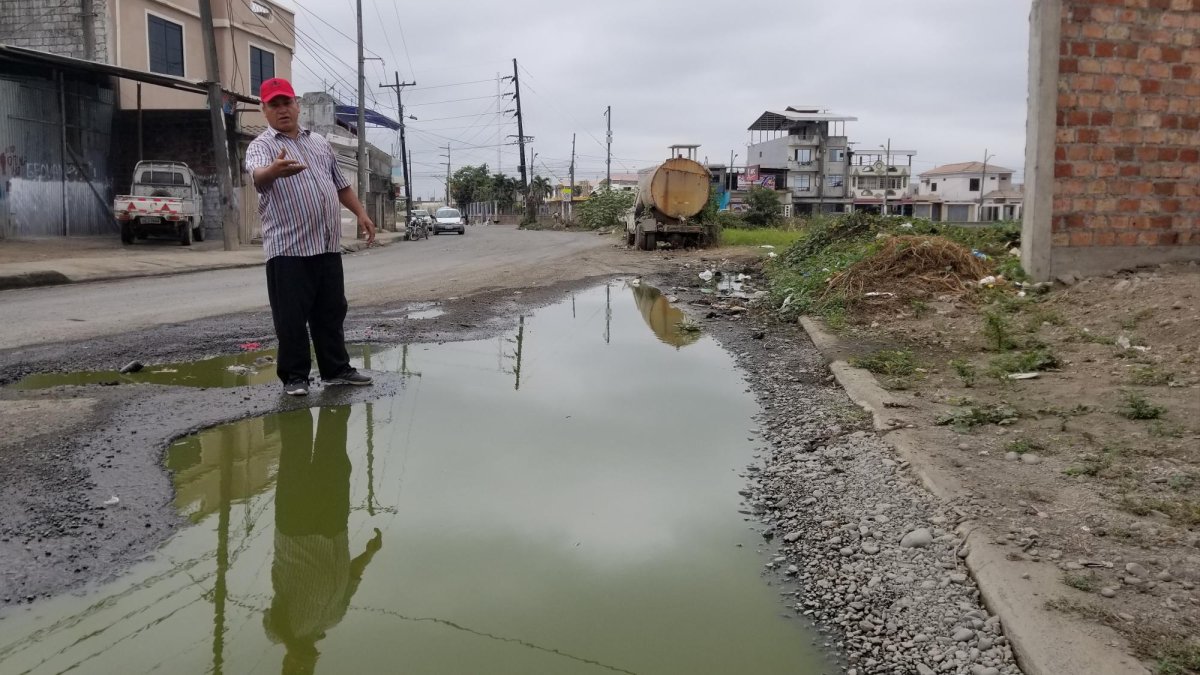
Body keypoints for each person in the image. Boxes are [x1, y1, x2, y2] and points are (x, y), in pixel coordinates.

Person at [245, 78, 374, 396]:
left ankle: (336, 369)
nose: (282, 110)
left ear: (297, 105)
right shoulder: (261, 146)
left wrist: (361, 213)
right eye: (274, 105)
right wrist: (273, 170)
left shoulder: (318, 143)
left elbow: (341, 185)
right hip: (288, 249)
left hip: (327, 246)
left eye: (286, 102)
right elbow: (258, 175)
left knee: (331, 311)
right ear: (265, 111)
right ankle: (295, 377)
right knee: (290, 317)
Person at [263, 406, 382, 674]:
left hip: (295, 528)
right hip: (334, 523)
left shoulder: (279, 633)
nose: (304, 666)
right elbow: (352, 577)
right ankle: (336, 405)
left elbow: (275, 620)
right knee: (336, 456)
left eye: (295, 670)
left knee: (296, 451)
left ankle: (295, 402)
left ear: (287, 664)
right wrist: (369, 554)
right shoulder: (334, 618)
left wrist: (294, 648)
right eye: (306, 671)